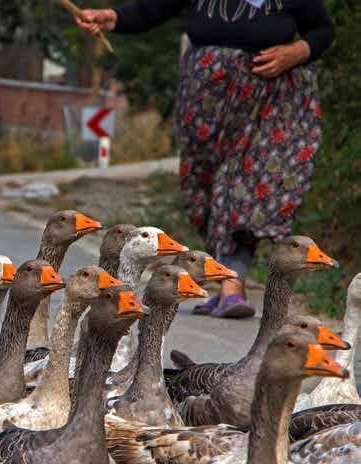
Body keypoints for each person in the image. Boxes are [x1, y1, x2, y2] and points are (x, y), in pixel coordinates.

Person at [77, 0, 334, 318]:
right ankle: (226, 277)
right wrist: (111, 17)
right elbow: (151, 11)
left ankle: (231, 286)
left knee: (241, 184)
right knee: (206, 190)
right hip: (205, 99)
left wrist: (295, 52)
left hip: (270, 102)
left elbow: (322, 30)